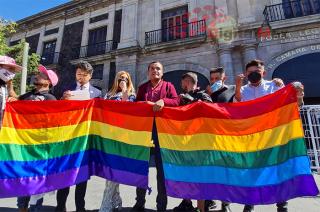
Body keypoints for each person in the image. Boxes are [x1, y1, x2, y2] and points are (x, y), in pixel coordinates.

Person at [234, 59, 304, 212]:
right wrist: (238, 86)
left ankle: (281, 204)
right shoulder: (242, 90)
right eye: (250, 72)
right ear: (246, 74)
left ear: (263, 73)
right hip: (252, 136)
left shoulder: (274, 86)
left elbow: (288, 103)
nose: (253, 74)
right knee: (251, 169)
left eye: (257, 72)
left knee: (276, 168)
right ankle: (249, 203)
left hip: (273, 135)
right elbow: (236, 108)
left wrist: (296, 92)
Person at [132, 61, 179, 212]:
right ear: (148, 72)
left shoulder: (168, 86)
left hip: (162, 134)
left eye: (158, 68)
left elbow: (177, 101)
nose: (155, 71)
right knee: (141, 168)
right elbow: (136, 105)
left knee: (161, 170)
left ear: (162, 72)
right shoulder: (142, 88)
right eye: (152, 69)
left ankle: (161, 205)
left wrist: (163, 101)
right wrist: (143, 105)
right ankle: (139, 203)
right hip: (144, 133)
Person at [56, 61, 101, 212]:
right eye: (78, 74)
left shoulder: (97, 93)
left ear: (90, 76)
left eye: (84, 75)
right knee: (65, 174)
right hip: (68, 139)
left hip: (86, 140)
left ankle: (80, 207)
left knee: (82, 176)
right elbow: (58, 112)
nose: (80, 78)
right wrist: (63, 100)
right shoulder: (66, 90)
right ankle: (60, 206)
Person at [16, 65, 59, 212]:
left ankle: (36, 208)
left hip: (41, 147)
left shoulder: (51, 99)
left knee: (37, 181)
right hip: (24, 145)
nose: (37, 76)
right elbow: (14, 106)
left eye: (41, 75)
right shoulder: (26, 96)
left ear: (48, 82)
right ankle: (22, 208)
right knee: (23, 179)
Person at [173, 72, 212, 212]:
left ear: (187, 82)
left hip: (200, 142)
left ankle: (202, 208)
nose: (182, 86)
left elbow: (210, 110)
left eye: (183, 83)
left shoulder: (202, 95)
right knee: (186, 174)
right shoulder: (181, 97)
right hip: (185, 141)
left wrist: (191, 100)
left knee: (200, 176)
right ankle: (187, 202)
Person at [99, 71, 136, 212]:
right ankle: (116, 200)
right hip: (108, 134)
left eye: (125, 78)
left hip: (121, 135)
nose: (122, 80)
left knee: (113, 169)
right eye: (120, 78)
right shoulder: (108, 94)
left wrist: (125, 90)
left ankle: (106, 204)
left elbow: (127, 108)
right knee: (110, 169)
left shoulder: (131, 93)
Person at [0, 55, 21, 125]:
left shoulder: (4, 85)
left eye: (13, 70)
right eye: (10, 68)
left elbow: (14, 96)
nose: (12, 72)